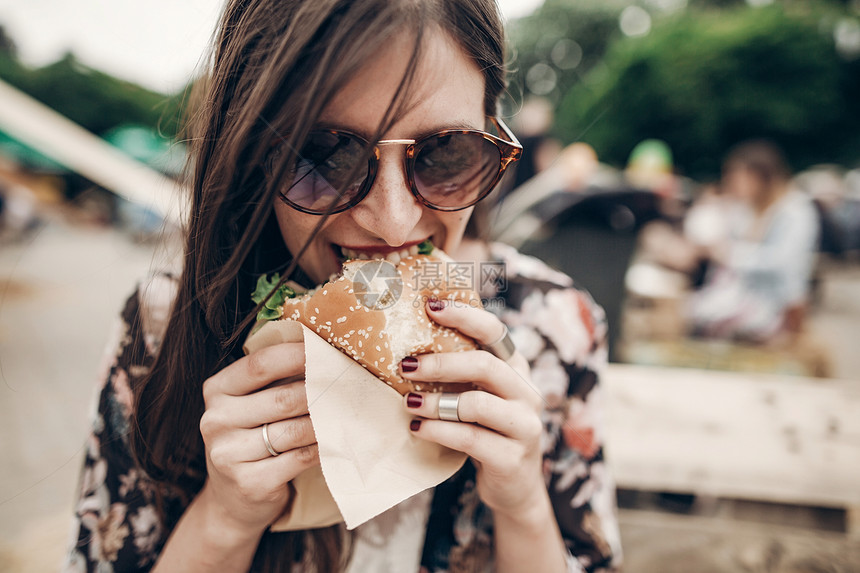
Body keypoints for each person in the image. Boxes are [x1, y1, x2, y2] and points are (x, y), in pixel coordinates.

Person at [62, 1, 622, 571]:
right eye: (325, 157)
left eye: (446, 152)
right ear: (250, 154)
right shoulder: (164, 325)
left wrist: (524, 501)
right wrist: (226, 518)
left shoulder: (557, 327)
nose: (393, 222)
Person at [686, 140, 820, 343]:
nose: (731, 184)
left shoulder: (795, 211)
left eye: (737, 177)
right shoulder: (748, 209)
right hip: (744, 299)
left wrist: (729, 254)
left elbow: (783, 265)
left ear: (760, 177)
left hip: (778, 307)